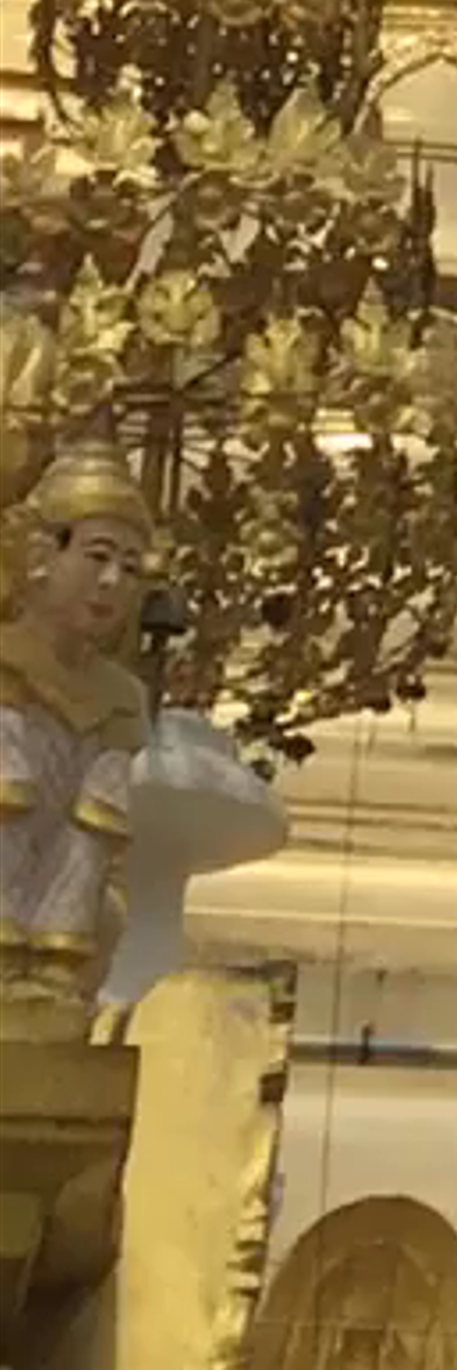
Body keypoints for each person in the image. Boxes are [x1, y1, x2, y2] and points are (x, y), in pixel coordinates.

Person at [0, 429, 160, 1028]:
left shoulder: (120, 698)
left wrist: (59, 958)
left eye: (128, 566)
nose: (112, 582)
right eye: (96, 557)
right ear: (41, 557)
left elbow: (92, 842)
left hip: (58, 956)